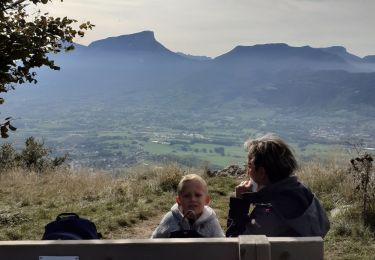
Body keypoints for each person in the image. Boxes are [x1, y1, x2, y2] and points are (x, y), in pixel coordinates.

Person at [226, 134, 330, 237]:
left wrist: (240, 203)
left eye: (249, 166)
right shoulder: (303, 194)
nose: (248, 173)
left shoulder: (270, 211)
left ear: (262, 172)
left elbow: (235, 244)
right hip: (305, 253)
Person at [151, 173, 225, 238]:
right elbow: (154, 241)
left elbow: (222, 246)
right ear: (179, 200)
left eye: (198, 195)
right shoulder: (170, 219)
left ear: (206, 200)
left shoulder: (211, 222)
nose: (192, 199)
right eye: (187, 196)